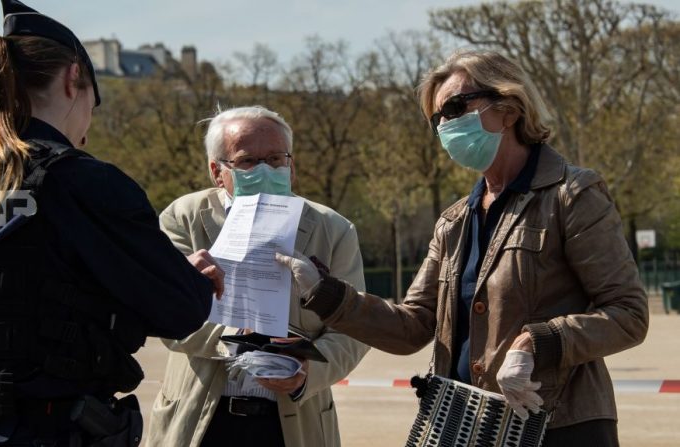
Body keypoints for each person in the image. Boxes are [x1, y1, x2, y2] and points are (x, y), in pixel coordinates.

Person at [276, 50, 648, 447]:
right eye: (437, 118)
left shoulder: (572, 195)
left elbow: (628, 314)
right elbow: (412, 326)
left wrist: (536, 343)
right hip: (463, 427)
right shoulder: (453, 221)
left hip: (557, 428)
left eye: (455, 106)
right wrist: (326, 293)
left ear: (509, 107)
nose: (445, 125)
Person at [0, 1, 223, 446]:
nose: (86, 130)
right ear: (74, 78)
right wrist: (192, 279)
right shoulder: (81, 181)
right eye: (92, 107)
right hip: (57, 429)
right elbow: (180, 311)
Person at [146, 106, 369, 447]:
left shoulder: (334, 230)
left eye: (276, 158)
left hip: (293, 425)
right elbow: (166, 314)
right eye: (248, 161)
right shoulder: (182, 218)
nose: (266, 169)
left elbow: (353, 329)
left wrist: (308, 373)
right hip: (201, 420)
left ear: (291, 166)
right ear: (216, 171)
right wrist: (238, 336)